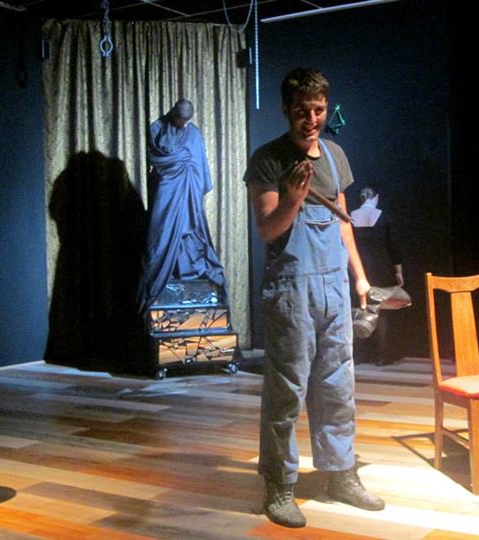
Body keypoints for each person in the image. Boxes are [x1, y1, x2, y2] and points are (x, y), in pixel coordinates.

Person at [244, 68, 385, 528]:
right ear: (286, 109)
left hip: (333, 288)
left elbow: (343, 222)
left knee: (338, 385)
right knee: (286, 391)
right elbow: (268, 230)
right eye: (302, 110)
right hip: (292, 288)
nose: (311, 119)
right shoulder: (267, 160)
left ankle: (340, 474)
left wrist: (360, 278)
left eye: (319, 110)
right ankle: (279, 485)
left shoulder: (335, 156)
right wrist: (292, 197)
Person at [138, 99, 226, 312]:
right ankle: (158, 286)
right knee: (160, 238)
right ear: (173, 114)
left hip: (189, 194)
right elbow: (156, 157)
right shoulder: (157, 128)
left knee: (190, 237)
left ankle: (188, 273)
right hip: (166, 191)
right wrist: (178, 160)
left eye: (186, 120)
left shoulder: (193, 133)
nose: (182, 123)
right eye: (179, 119)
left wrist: (190, 174)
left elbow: (200, 165)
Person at [350, 184, 405, 365]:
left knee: (357, 311)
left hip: (358, 269)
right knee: (382, 312)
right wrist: (398, 272)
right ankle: (382, 356)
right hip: (381, 269)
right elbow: (393, 248)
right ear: (376, 198)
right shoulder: (384, 217)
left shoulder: (350, 218)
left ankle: (357, 356)